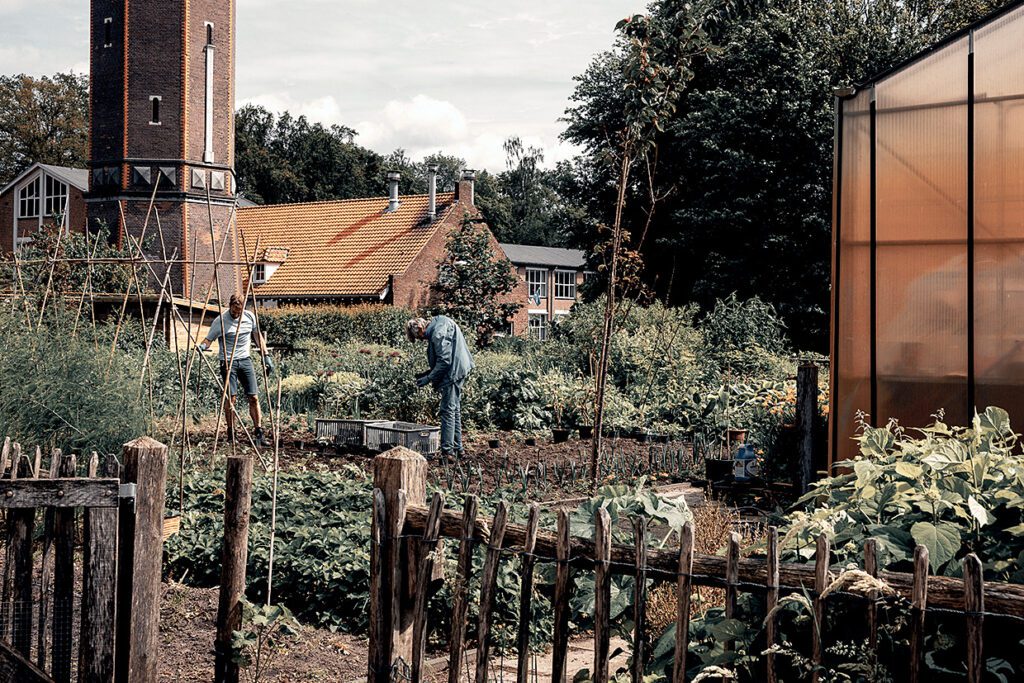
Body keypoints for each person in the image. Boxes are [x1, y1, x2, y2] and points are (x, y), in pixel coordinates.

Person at [198, 294, 274, 446]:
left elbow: (257, 336)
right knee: (231, 399)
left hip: (245, 360)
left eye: (239, 312)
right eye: (234, 311)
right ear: (230, 306)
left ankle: (259, 433)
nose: (236, 314)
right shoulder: (220, 321)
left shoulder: (249, 317)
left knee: (254, 397)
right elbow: (209, 339)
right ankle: (231, 434)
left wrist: (265, 355)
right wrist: (202, 346)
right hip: (227, 362)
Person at [407, 315, 475, 457]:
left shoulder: (437, 333)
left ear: (420, 328)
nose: (422, 339)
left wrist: (429, 378)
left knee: (447, 410)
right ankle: (457, 449)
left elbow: (444, 361)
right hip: (459, 367)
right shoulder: (438, 322)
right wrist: (428, 373)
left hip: (453, 372)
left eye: (419, 337)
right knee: (454, 409)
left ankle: (447, 452)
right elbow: (443, 357)